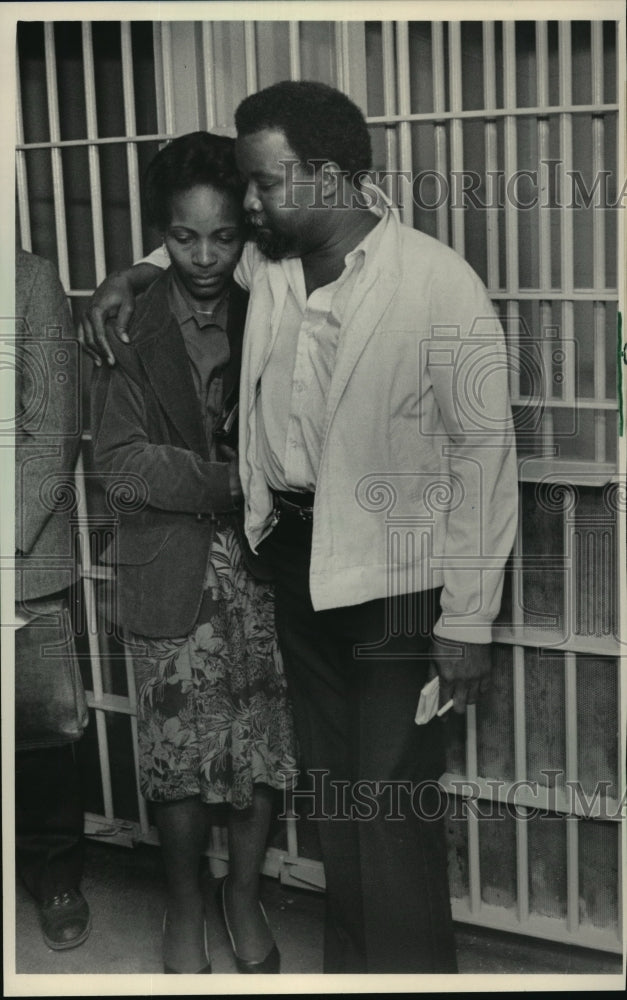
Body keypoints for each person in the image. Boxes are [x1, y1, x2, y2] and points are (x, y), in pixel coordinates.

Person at [79, 81, 518, 974]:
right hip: (293, 563)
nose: (247, 204)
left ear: (327, 178)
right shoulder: (269, 265)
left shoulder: (437, 283)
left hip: (399, 584)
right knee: (339, 800)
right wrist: (124, 278)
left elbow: (484, 455)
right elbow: (187, 261)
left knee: (388, 806)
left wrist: (467, 620)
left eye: (263, 183)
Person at [89, 131, 297, 975]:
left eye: (223, 236)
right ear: (157, 235)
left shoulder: (274, 303)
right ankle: (183, 908)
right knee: (175, 758)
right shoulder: (124, 323)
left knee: (262, 748)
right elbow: (120, 462)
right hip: (168, 566)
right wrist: (237, 480)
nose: (205, 256)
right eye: (183, 237)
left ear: (246, 228)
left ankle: (241, 898)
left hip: (267, 566)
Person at [15, 248, 91, 950]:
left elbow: (52, 428)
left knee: (39, 732)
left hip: (21, 547)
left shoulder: (28, 278)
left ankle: (55, 873)